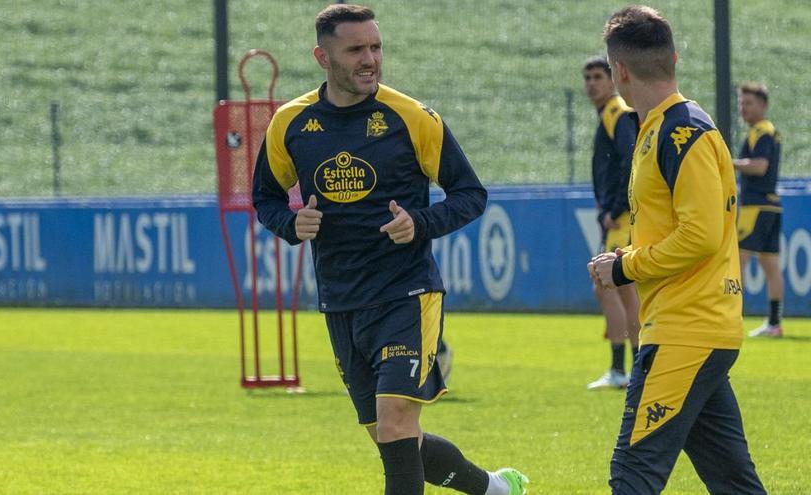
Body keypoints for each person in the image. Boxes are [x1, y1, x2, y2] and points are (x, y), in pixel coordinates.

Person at [251, 5, 527, 495]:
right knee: (393, 438)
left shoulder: (411, 117)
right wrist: (292, 224)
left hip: (406, 293)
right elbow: (266, 198)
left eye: (376, 47)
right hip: (340, 300)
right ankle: (494, 489)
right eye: (356, 49)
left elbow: (470, 194)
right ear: (323, 56)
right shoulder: (290, 123)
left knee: (397, 423)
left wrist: (419, 223)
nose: (370, 59)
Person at [588, 6, 767, 494]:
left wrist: (624, 265)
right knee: (735, 485)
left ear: (620, 71)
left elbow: (701, 234)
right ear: (674, 57)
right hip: (693, 327)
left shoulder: (681, 131)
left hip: (685, 331)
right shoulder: (661, 127)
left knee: (632, 477)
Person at [582, 56, 641, 390]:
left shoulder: (615, 112)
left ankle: (624, 368)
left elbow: (629, 159)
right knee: (622, 290)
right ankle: (632, 367)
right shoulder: (610, 113)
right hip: (620, 215)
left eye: (598, 77)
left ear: (611, 79)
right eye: (587, 77)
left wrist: (615, 207)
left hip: (621, 216)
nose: (591, 83)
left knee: (609, 285)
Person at [733, 83, 784, 338]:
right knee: (770, 263)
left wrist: (728, 162)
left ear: (763, 105)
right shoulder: (765, 131)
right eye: (741, 103)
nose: (743, 108)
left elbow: (760, 166)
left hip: (755, 206)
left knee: (737, 260)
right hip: (772, 206)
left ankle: (732, 318)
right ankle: (774, 323)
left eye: (749, 103)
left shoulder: (761, 131)